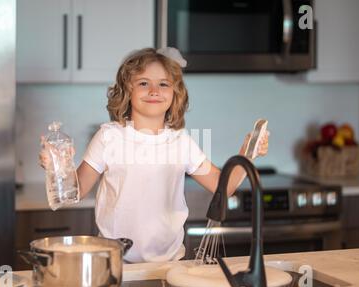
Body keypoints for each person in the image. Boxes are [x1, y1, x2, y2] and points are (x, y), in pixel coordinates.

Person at [40, 47, 269, 263]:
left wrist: (247, 154)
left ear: (174, 94)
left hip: (169, 263)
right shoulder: (108, 137)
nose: (154, 91)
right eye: (143, 83)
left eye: (163, 84)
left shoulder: (181, 141)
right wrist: (58, 167)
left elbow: (223, 186)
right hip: (114, 262)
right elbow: (75, 192)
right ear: (127, 90)